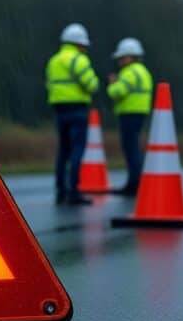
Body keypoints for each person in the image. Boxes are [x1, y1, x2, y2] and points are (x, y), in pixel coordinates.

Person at [46, 23, 99, 205]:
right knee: (77, 149)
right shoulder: (79, 60)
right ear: (79, 44)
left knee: (63, 149)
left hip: (59, 109)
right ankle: (73, 191)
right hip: (77, 109)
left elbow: (50, 84)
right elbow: (92, 85)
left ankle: (61, 190)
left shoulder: (54, 60)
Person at [106, 37, 154, 196]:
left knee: (130, 149)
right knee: (134, 148)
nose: (120, 61)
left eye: (122, 57)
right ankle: (137, 181)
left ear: (130, 57)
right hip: (140, 112)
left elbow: (116, 92)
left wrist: (112, 84)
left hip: (128, 113)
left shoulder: (129, 72)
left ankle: (134, 183)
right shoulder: (144, 72)